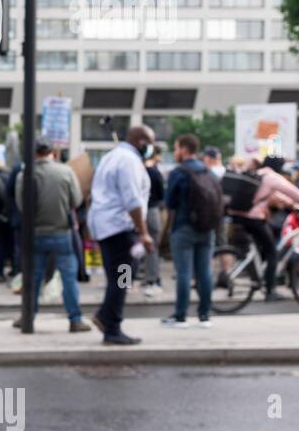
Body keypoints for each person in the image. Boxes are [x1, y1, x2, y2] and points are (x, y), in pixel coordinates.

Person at [86, 124, 156, 345]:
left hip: (107, 227)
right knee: (124, 277)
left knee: (119, 277)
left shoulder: (112, 156)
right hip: (120, 228)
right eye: (150, 144)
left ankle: (107, 316)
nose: (151, 149)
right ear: (141, 142)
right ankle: (111, 324)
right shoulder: (129, 161)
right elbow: (133, 200)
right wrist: (144, 233)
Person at [13, 138, 90, 332]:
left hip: (36, 233)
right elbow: (77, 200)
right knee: (68, 278)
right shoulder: (66, 172)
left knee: (34, 277)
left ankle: (28, 316)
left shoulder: (25, 175)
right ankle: (75, 319)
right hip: (61, 233)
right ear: (52, 152)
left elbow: (22, 206)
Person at [227, 155, 299, 301]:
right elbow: (295, 193)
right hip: (253, 219)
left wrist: (290, 204)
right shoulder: (273, 177)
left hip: (240, 216)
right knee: (272, 252)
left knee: (265, 249)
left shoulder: (259, 174)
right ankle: (270, 290)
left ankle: (259, 276)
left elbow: (276, 196)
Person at [162, 134, 223, 327]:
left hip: (184, 227)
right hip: (207, 228)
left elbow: (169, 202)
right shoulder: (208, 172)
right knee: (204, 272)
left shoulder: (179, 172)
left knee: (184, 273)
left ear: (184, 150)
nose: (175, 152)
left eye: (176, 148)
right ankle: (204, 315)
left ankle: (180, 316)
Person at [142, 153, 165, 298]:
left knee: (127, 251)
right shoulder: (155, 173)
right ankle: (153, 279)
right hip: (152, 212)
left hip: (132, 214)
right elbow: (162, 195)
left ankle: (123, 283)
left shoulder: (133, 171)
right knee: (152, 248)